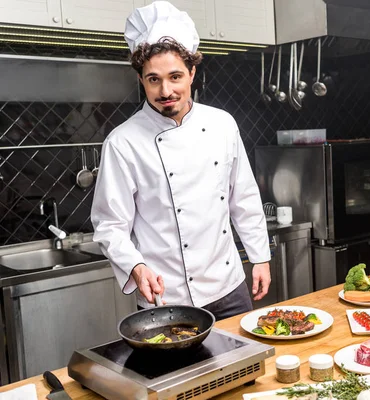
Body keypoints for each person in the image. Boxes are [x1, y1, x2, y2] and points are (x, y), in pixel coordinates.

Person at [90, 1, 271, 320]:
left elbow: (242, 197)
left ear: (192, 73)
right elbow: (110, 225)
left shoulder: (222, 124)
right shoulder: (123, 142)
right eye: (153, 79)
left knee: (245, 370)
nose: (166, 90)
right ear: (141, 80)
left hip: (229, 287)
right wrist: (135, 266)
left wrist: (260, 257)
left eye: (175, 76)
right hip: (165, 297)